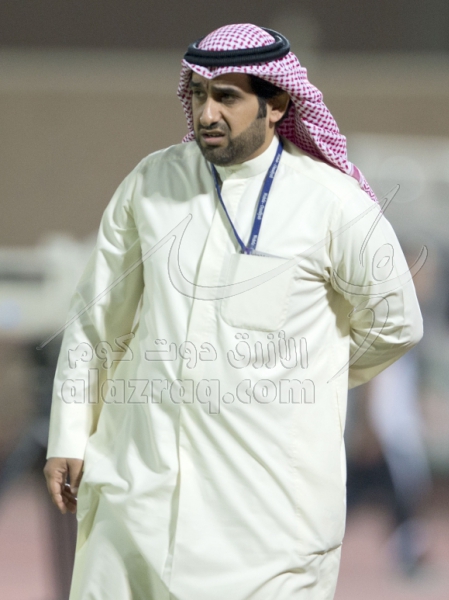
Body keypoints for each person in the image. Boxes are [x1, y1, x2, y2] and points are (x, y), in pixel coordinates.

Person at [43, 23, 423, 600]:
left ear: (278, 104)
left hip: (267, 522)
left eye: (226, 97)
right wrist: (69, 435)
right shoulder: (152, 183)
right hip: (134, 500)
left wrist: (306, 373)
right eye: (198, 94)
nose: (207, 113)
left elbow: (397, 324)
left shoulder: (333, 204)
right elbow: (96, 322)